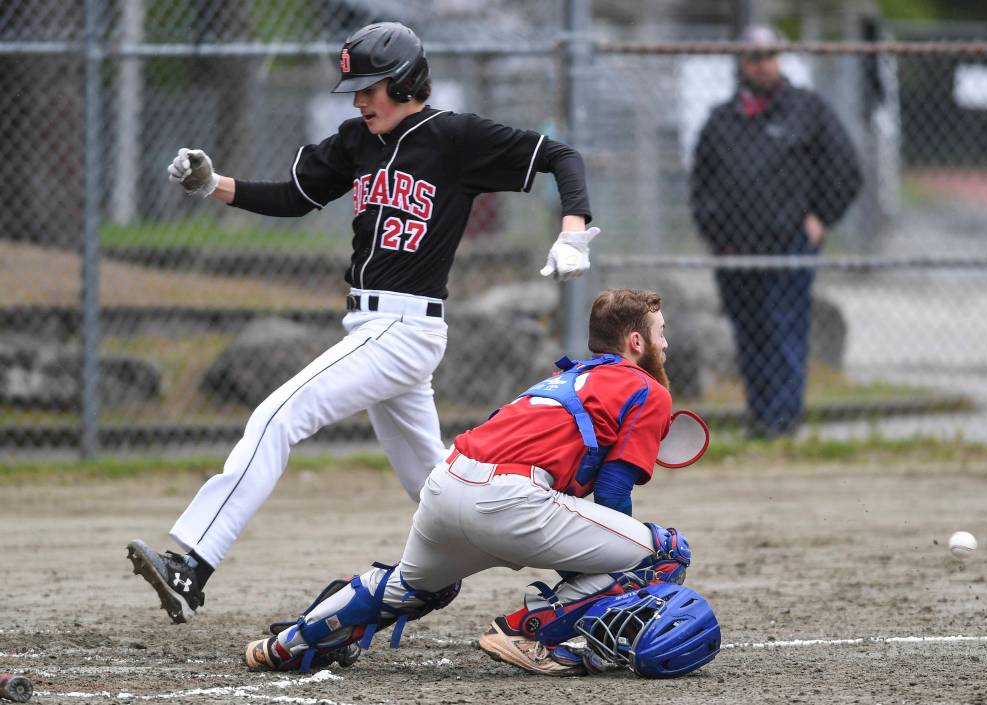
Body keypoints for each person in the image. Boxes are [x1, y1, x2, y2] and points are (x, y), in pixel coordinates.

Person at [127, 21, 601, 624]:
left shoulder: (454, 137)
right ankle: (580, 562)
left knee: (277, 415)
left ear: (405, 81)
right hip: (375, 329)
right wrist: (212, 184)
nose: (358, 99)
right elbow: (294, 196)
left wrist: (572, 232)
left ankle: (191, 565)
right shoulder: (358, 141)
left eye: (370, 87)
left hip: (402, 330)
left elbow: (562, 156)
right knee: (442, 487)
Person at [241, 288, 719, 678]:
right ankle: (525, 632)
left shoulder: (566, 377)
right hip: (511, 501)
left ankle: (288, 644)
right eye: (661, 334)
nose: (666, 344)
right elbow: (614, 492)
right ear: (636, 342)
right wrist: (604, 580)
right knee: (665, 552)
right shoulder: (647, 389)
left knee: (410, 584)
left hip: (448, 481)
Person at [690, 25, 862, 438]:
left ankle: (784, 423)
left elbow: (846, 169)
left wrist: (821, 217)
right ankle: (760, 418)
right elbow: (701, 186)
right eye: (754, 57)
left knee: (784, 330)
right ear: (742, 64)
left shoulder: (807, 110)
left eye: (770, 55)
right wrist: (717, 233)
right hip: (736, 251)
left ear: (780, 59)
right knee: (750, 334)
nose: (763, 64)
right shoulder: (722, 120)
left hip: (788, 247)